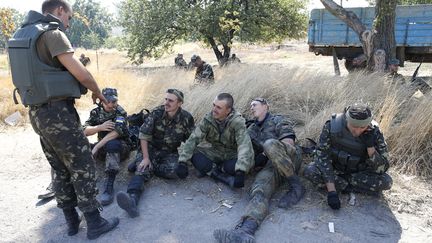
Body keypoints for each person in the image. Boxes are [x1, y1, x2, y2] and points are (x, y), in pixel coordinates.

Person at [7, 0, 119, 239]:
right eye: (69, 17)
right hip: (58, 113)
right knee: (82, 166)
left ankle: (71, 222)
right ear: (60, 11)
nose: (68, 23)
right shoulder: (52, 33)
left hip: (37, 113)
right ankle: (95, 222)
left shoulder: (22, 34)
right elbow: (82, 73)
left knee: (59, 169)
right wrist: (98, 94)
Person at [214, 98, 304, 243]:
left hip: (289, 157)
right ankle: (245, 231)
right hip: (271, 165)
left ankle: (296, 186)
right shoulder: (252, 129)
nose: (251, 107)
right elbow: (245, 151)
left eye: (254, 105)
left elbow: (289, 143)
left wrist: (267, 152)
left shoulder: (277, 119)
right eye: (250, 106)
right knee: (259, 189)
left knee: (270, 145)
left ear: (266, 106)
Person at [116, 89, 194, 218]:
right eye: (166, 99)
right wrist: (146, 158)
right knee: (143, 169)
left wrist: (185, 159)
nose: (166, 103)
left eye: (170, 100)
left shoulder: (186, 118)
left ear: (179, 103)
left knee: (178, 172)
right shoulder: (156, 113)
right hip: (150, 149)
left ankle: (143, 166)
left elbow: (191, 140)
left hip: (169, 152)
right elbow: (143, 136)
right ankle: (132, 201)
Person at [303, 103, 392, 210]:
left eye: (362, 127)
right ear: (347, 120)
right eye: (354, 126)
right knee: (310, 171)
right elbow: (322, 157)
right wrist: (332, 192)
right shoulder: (332, 126)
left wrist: (370, 147)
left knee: (386, 182)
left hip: (359, 173)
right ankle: (349, 186)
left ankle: (343, 184)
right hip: (335, 170)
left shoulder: (375, 133)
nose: (357, 131)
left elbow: (381, 169)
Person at [178, 93, 254, 189]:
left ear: (228, 110)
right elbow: (194, 139)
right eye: (214, 105)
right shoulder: (208, 118)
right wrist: (182, 162)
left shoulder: (237, 122)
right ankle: (220, 174)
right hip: (215, 151)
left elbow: (244, 145)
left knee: (246, 163)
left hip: (232, 154)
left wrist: (240, 171)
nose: (214, 109)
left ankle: (211, 170)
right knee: (192, 151)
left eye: (218, 107)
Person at [83, 87, 132, 206]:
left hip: (120, 147)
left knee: (112, 143)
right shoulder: (96, 112)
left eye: (114, 101)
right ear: (101, 101)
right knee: (80, 145)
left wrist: (96, 147)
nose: (111, 104)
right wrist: (99, 127)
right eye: (107, 101)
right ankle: (70, 179)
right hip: (103, 148)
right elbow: (84, 131)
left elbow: (116, 133)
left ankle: (109, 185)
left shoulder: (120, 112)